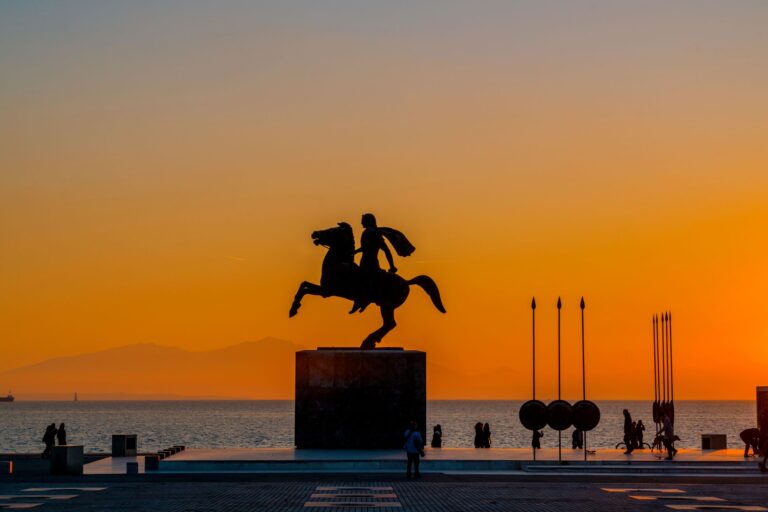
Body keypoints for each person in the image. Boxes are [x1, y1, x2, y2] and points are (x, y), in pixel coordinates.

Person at [349, 213, 399, 314]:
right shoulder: (372, 232)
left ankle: (363, 300)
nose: (361, 222)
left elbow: (367, 247)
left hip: (370, 263)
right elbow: (387, 251)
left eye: (363, 220)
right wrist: (392, 266)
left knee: (361, 280)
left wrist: (355, 252)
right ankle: (361, 300)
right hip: (366, 261)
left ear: (368, 221)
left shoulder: (371, 233)